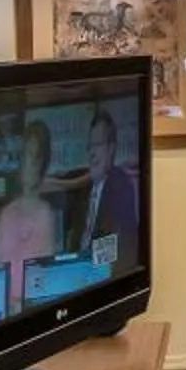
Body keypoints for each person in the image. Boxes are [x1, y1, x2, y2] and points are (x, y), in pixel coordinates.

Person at [0, 120, 59, 313]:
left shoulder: (46, 216)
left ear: (43, 164)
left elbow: (45, 279)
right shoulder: (6, 215)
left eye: (36, 157)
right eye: (27, 155)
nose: (31, 164)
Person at [78, 106, 140, 260]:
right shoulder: (85, 190)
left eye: (97, 144)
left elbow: (122, 245)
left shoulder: (121, 186)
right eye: (90, 146)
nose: (92, 153)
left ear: (111, 148)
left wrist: (89, 257)